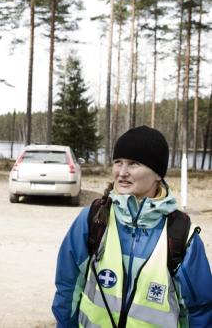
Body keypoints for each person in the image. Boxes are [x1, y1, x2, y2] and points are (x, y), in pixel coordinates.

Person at [52, 126, 212, 327]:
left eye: (134, 164)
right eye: (118, 162)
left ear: (157, 174)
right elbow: (68, 287)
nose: (122, 172)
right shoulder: (93, 219)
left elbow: (199, 309)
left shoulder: (181, 234)